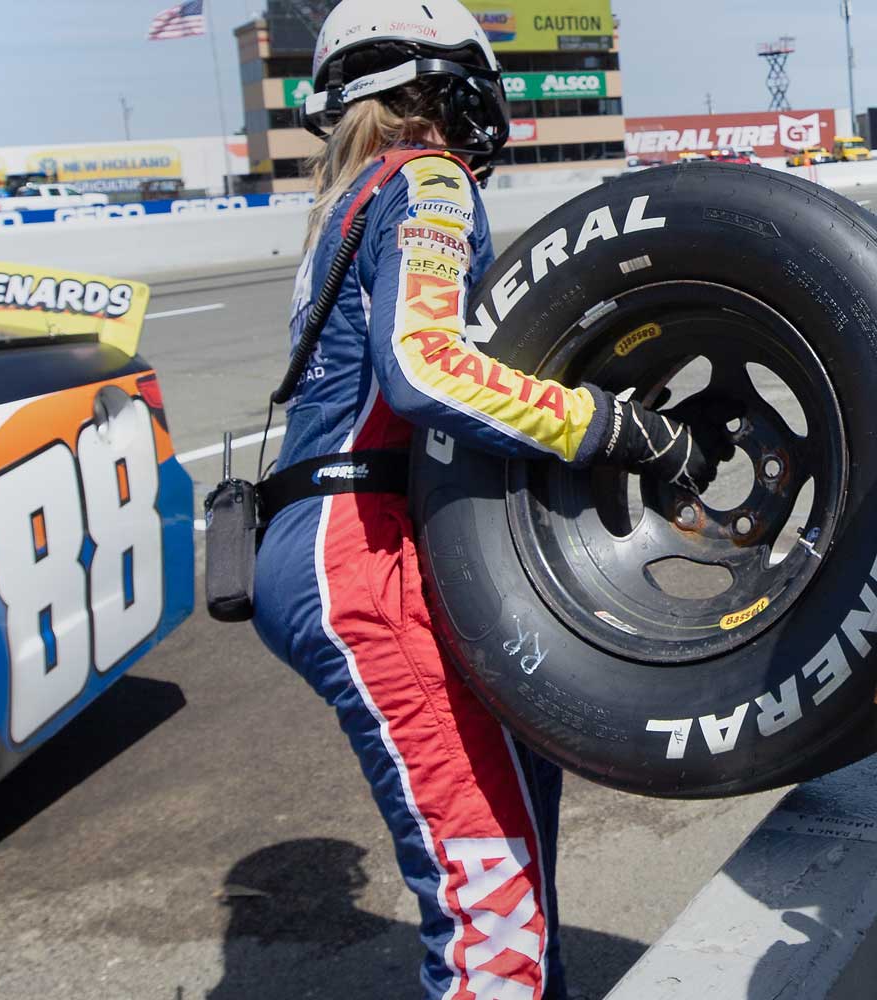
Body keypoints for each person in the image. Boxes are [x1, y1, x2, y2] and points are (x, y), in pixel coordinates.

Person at [252, 1, 733, 996]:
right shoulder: (425, 178)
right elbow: (424, 370)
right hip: (362, 553)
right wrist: (614, 427)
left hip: (339, 537)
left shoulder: (346, 200)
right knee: (490, 915)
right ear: (446, 84)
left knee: (511, 828)